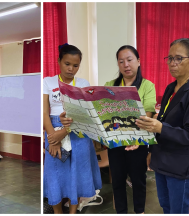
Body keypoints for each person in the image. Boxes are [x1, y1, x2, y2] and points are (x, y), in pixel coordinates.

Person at [60, 45, 156, 214]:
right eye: (121, 61)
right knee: (117, 182)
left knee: (138, 181)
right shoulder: (109, 85)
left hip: (138, 143)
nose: (126, 64)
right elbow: (103, 113)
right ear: (118, 64)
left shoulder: (147, 86)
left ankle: (139, 212)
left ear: (138, 62)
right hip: (115, 143)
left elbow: (147, 115)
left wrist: (136, 139)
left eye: (129, 60)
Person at [43, 44, 102, 214]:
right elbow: (44, 113)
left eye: (75, 65)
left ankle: (73, 211)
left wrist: (63, 132)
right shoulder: (48, 82)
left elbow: (84, 115)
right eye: (67, 63)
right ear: (59, 61)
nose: (71, 69)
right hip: (53, 129)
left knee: (77, 172)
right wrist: (52, 138)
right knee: (55, 174)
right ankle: (57, 212)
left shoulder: (83, 84)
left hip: (78, 131)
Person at [136, 38, 189, 214]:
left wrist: (159, 128)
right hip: (161, 160)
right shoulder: (170, 88)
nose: (172, 63)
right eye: (170, 58)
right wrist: (152, 151)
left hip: (179, 165)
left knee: (178, 209)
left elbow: (188, 136)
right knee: (165, 206)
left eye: (179, 58)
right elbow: (164, 121)